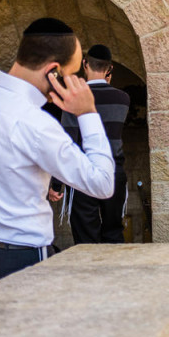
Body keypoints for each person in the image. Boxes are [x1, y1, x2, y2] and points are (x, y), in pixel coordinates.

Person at [0, 18, 115, 298]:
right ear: (53, 72)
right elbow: (102, 184)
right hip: (20, 259)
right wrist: (88, 113)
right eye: (72, 74)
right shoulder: (35, 123)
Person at [49, 44, 130, 244]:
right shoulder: (123, 99)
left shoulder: (73, 99)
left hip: (83, 173)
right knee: (113, 231)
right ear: (109, 69)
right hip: (114, 172)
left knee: (86, 236)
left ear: (85, 64)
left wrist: (57, 184)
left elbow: (67, 140)